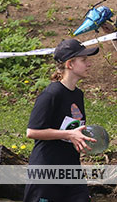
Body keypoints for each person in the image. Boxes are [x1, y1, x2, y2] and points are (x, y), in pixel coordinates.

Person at [24, 39, 99, 202]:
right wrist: (69, 134)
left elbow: (73, 130)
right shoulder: (51, 94)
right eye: (84, 60)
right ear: (70, 64)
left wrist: (83, 138)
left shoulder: (77, 94)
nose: (89, 64)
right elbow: (32, 132)